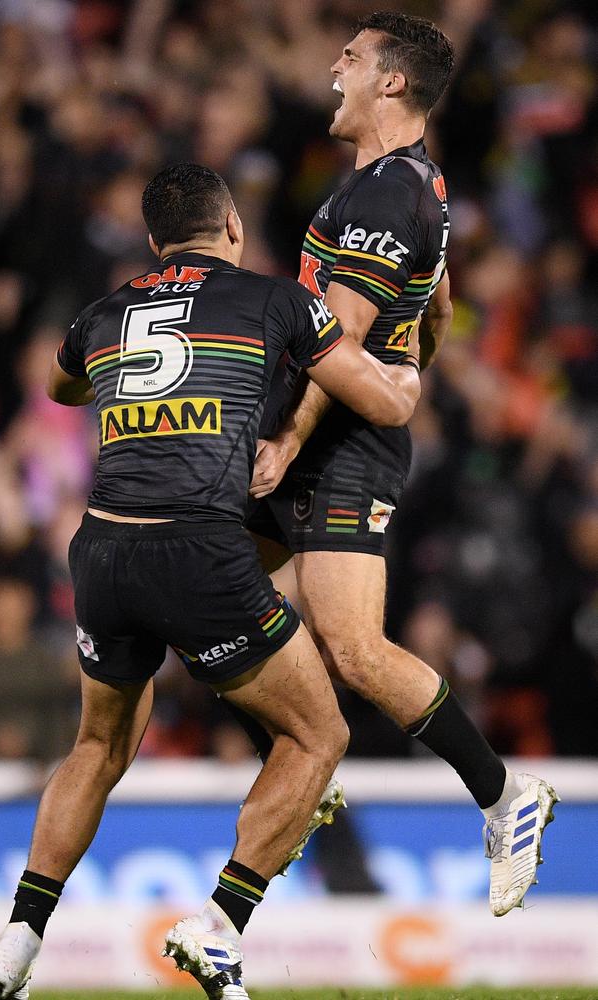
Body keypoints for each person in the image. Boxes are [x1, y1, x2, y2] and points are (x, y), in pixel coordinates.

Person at [0, 162, 422, 1000]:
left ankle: (17, 942)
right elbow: (379, 402)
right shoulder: (274, 299)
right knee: (318, 737)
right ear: (234, 229)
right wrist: (409, 370)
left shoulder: (105, 311)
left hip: (103, 552)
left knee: (97, 747)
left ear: (152, 243)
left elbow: (58, 382)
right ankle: (221, 927)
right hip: (202, 552)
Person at [245, 11, 558, 917]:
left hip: (337, 445)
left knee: (354, 648)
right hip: (316, 432)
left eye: (351, 57)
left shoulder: (387, 195)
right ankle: (307, 754)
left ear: (391, 83)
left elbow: (339, 339)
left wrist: (291, 440)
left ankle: (505, 798)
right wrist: (416, 363)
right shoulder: (404, 186)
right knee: (204, 585)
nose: (333, 68)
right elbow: (440, 299)